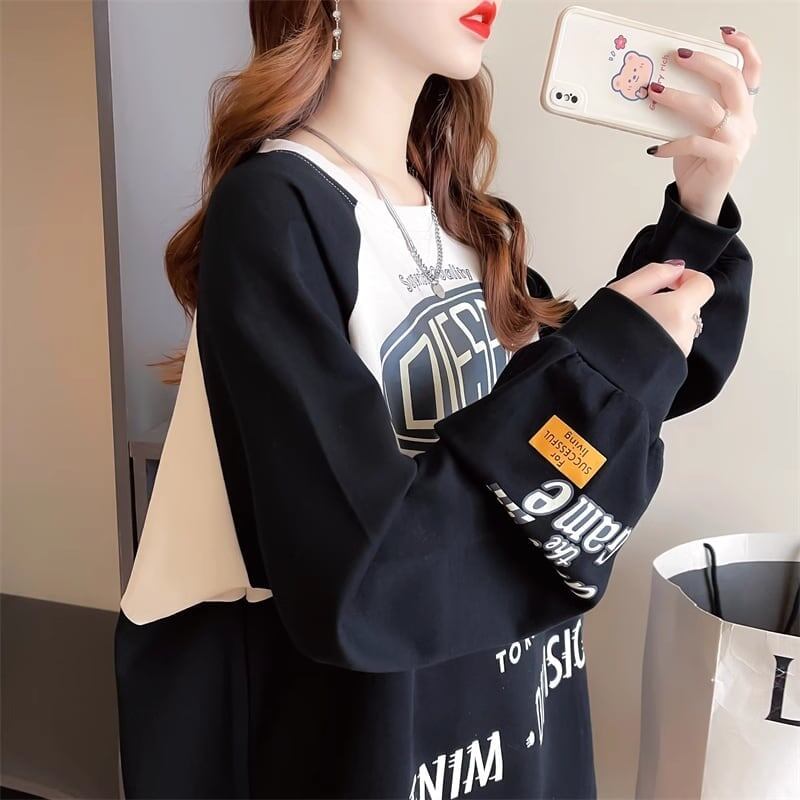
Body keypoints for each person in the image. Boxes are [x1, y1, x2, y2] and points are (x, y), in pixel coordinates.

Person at [113, 2, 760, 797]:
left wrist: (698, 209)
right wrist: (612, 355)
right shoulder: (277, 210)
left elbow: (599, 430)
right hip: (388, 751)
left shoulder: (464, 220)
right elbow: (361, 579)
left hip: (525, 729)